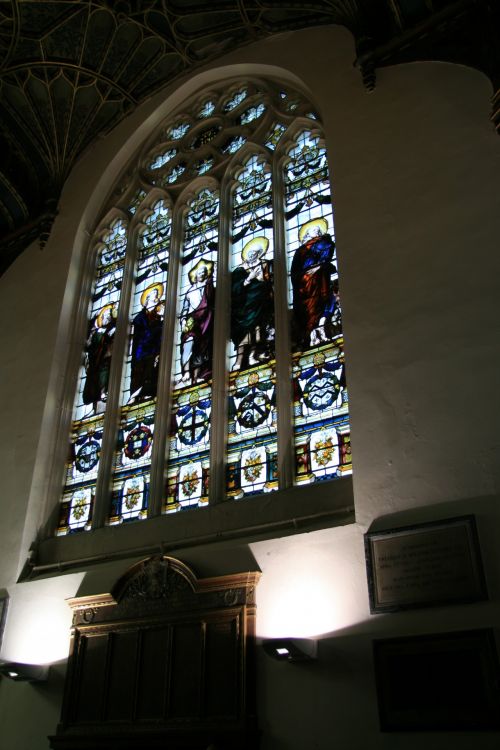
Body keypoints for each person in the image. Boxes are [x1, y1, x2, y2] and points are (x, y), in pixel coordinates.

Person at [290, 217, 338, 349]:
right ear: (307, 234)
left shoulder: (324, 243)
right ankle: (311, 333)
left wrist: (318, 268)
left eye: (318, 230)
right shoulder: (300, 251)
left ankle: (321, 330)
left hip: (320, 279)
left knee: (324, 301)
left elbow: (326, 256)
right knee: (308, 308)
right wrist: (303, 276)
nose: (317, 231)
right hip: (304, 284)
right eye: (314, 230)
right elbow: (294, 271)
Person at [230, 236, 274, 370]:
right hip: (244, 308)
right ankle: (238, 360)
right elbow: (235, 289)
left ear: (259, 254)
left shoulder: (264, 265)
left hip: (260, 305)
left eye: (254, 254)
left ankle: (253, 355)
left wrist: (262, 280)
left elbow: (268, 282)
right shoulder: (239, 271)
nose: (251, 256)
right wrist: (249, 278)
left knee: (258, 331)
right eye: (249, 254)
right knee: (244, 335)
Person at [178, 258, 215, 385]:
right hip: (192, 321)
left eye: (204, 272)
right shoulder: (189, 291)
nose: (201, 274)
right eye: (199, 272)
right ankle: (186, 371)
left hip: (206, 321)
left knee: (203, 347)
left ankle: (198, 374)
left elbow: (211, 300)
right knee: (187, 344)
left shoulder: (208, 286)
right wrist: (183, 320)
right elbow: (185, 309)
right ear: (195, 275)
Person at [129, 283, 164, 403]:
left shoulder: (159, 315)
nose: (157, 298)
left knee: (152, 372)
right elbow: (143, 335)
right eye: (154, 295)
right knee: (139, 374)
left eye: (157, 295)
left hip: (154, 350)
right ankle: (136, 395)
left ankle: (148, 394)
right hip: (141, 351)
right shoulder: (140, 318)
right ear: (147, 298)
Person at [82, 303, 117, 414]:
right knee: (94, 385)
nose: (107, 318)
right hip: (95, 365)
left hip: (106, 363)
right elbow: (89, 347)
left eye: (109, 317)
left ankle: (101, 404)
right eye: (106, 316)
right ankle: (95, 408)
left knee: (104, 382)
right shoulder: (96, 333)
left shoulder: (111, 331)